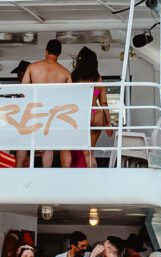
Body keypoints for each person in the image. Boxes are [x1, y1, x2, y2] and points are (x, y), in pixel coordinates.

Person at [17, 39, 72, 169]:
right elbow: (69, 98)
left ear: (46, 51)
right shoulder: (65, 73)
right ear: (59, 53)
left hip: (34, 110)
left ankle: (18, 170)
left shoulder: (32, 67)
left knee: (24, 142)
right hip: (52, 113)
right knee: (48, 146)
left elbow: (22, 91)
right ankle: (46, 174)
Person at [70, 46, 113, 167]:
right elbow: (104, 102)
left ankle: (83, 177)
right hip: (97, 114)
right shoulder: (98, 78)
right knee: (90, 152)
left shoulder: (75, 78)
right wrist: (108, 123)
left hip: (83, 113)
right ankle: (93, 175)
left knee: (82, 152)